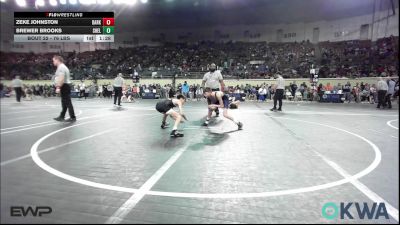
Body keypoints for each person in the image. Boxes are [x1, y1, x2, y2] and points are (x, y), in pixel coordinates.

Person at [53, 55, 76, 122]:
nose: (53, 62)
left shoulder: (61, 67)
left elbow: (61, 78)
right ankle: (62, 116)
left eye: (53, 60)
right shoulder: (62, 67)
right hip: (64, 85)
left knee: (68, 102)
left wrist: (58, 87)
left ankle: (73, 117)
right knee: (64, 103)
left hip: (64, 86)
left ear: (57, 60)